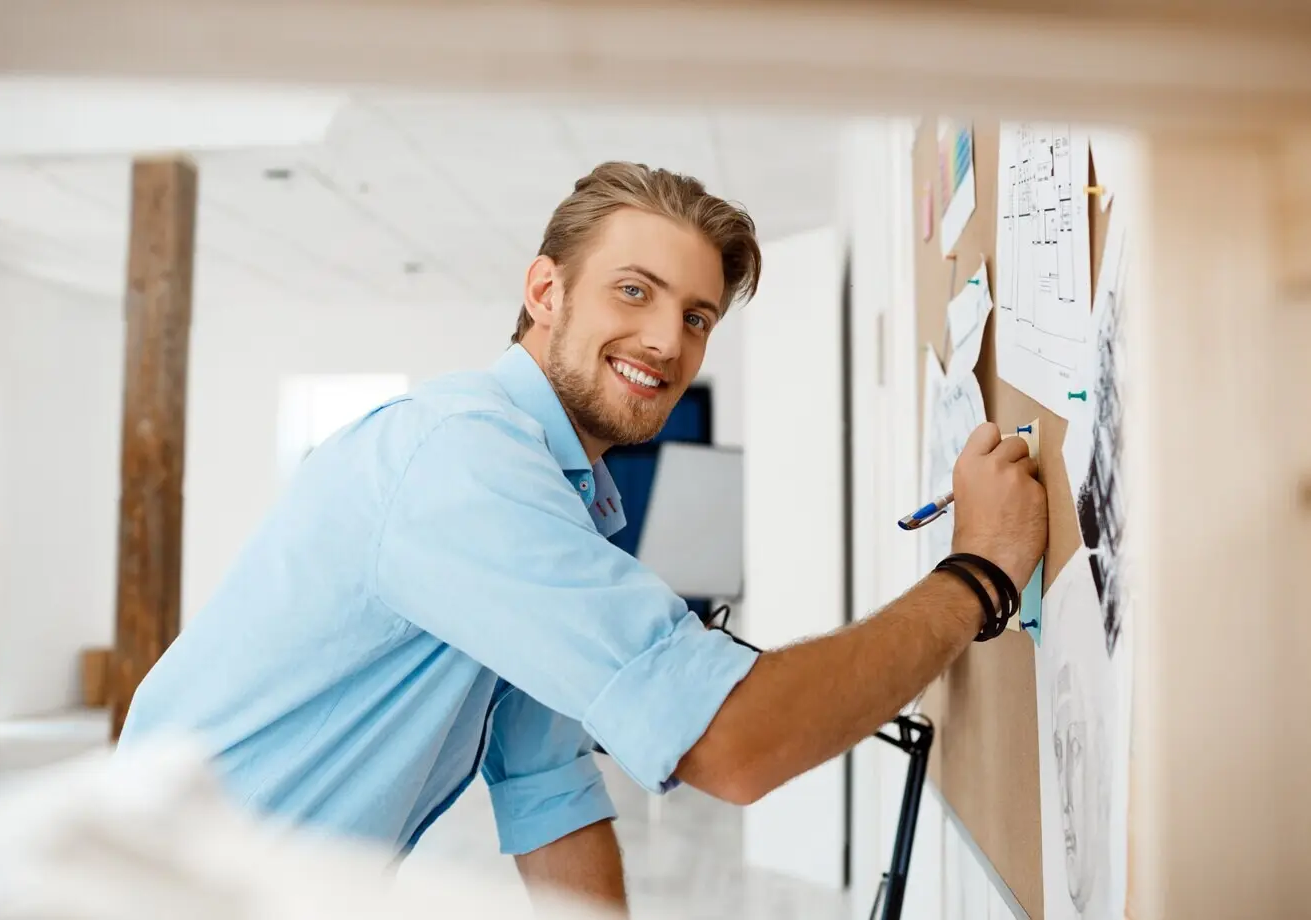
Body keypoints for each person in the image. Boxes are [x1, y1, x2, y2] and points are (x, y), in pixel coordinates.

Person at [118, 161, 1047, 915]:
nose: (664, 341)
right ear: (545, 290)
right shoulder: (463, 458)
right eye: (633, 291)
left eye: (696, 318)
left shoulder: (562, 497)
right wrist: (977, 574)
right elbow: (732, 744)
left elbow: (544, 784)